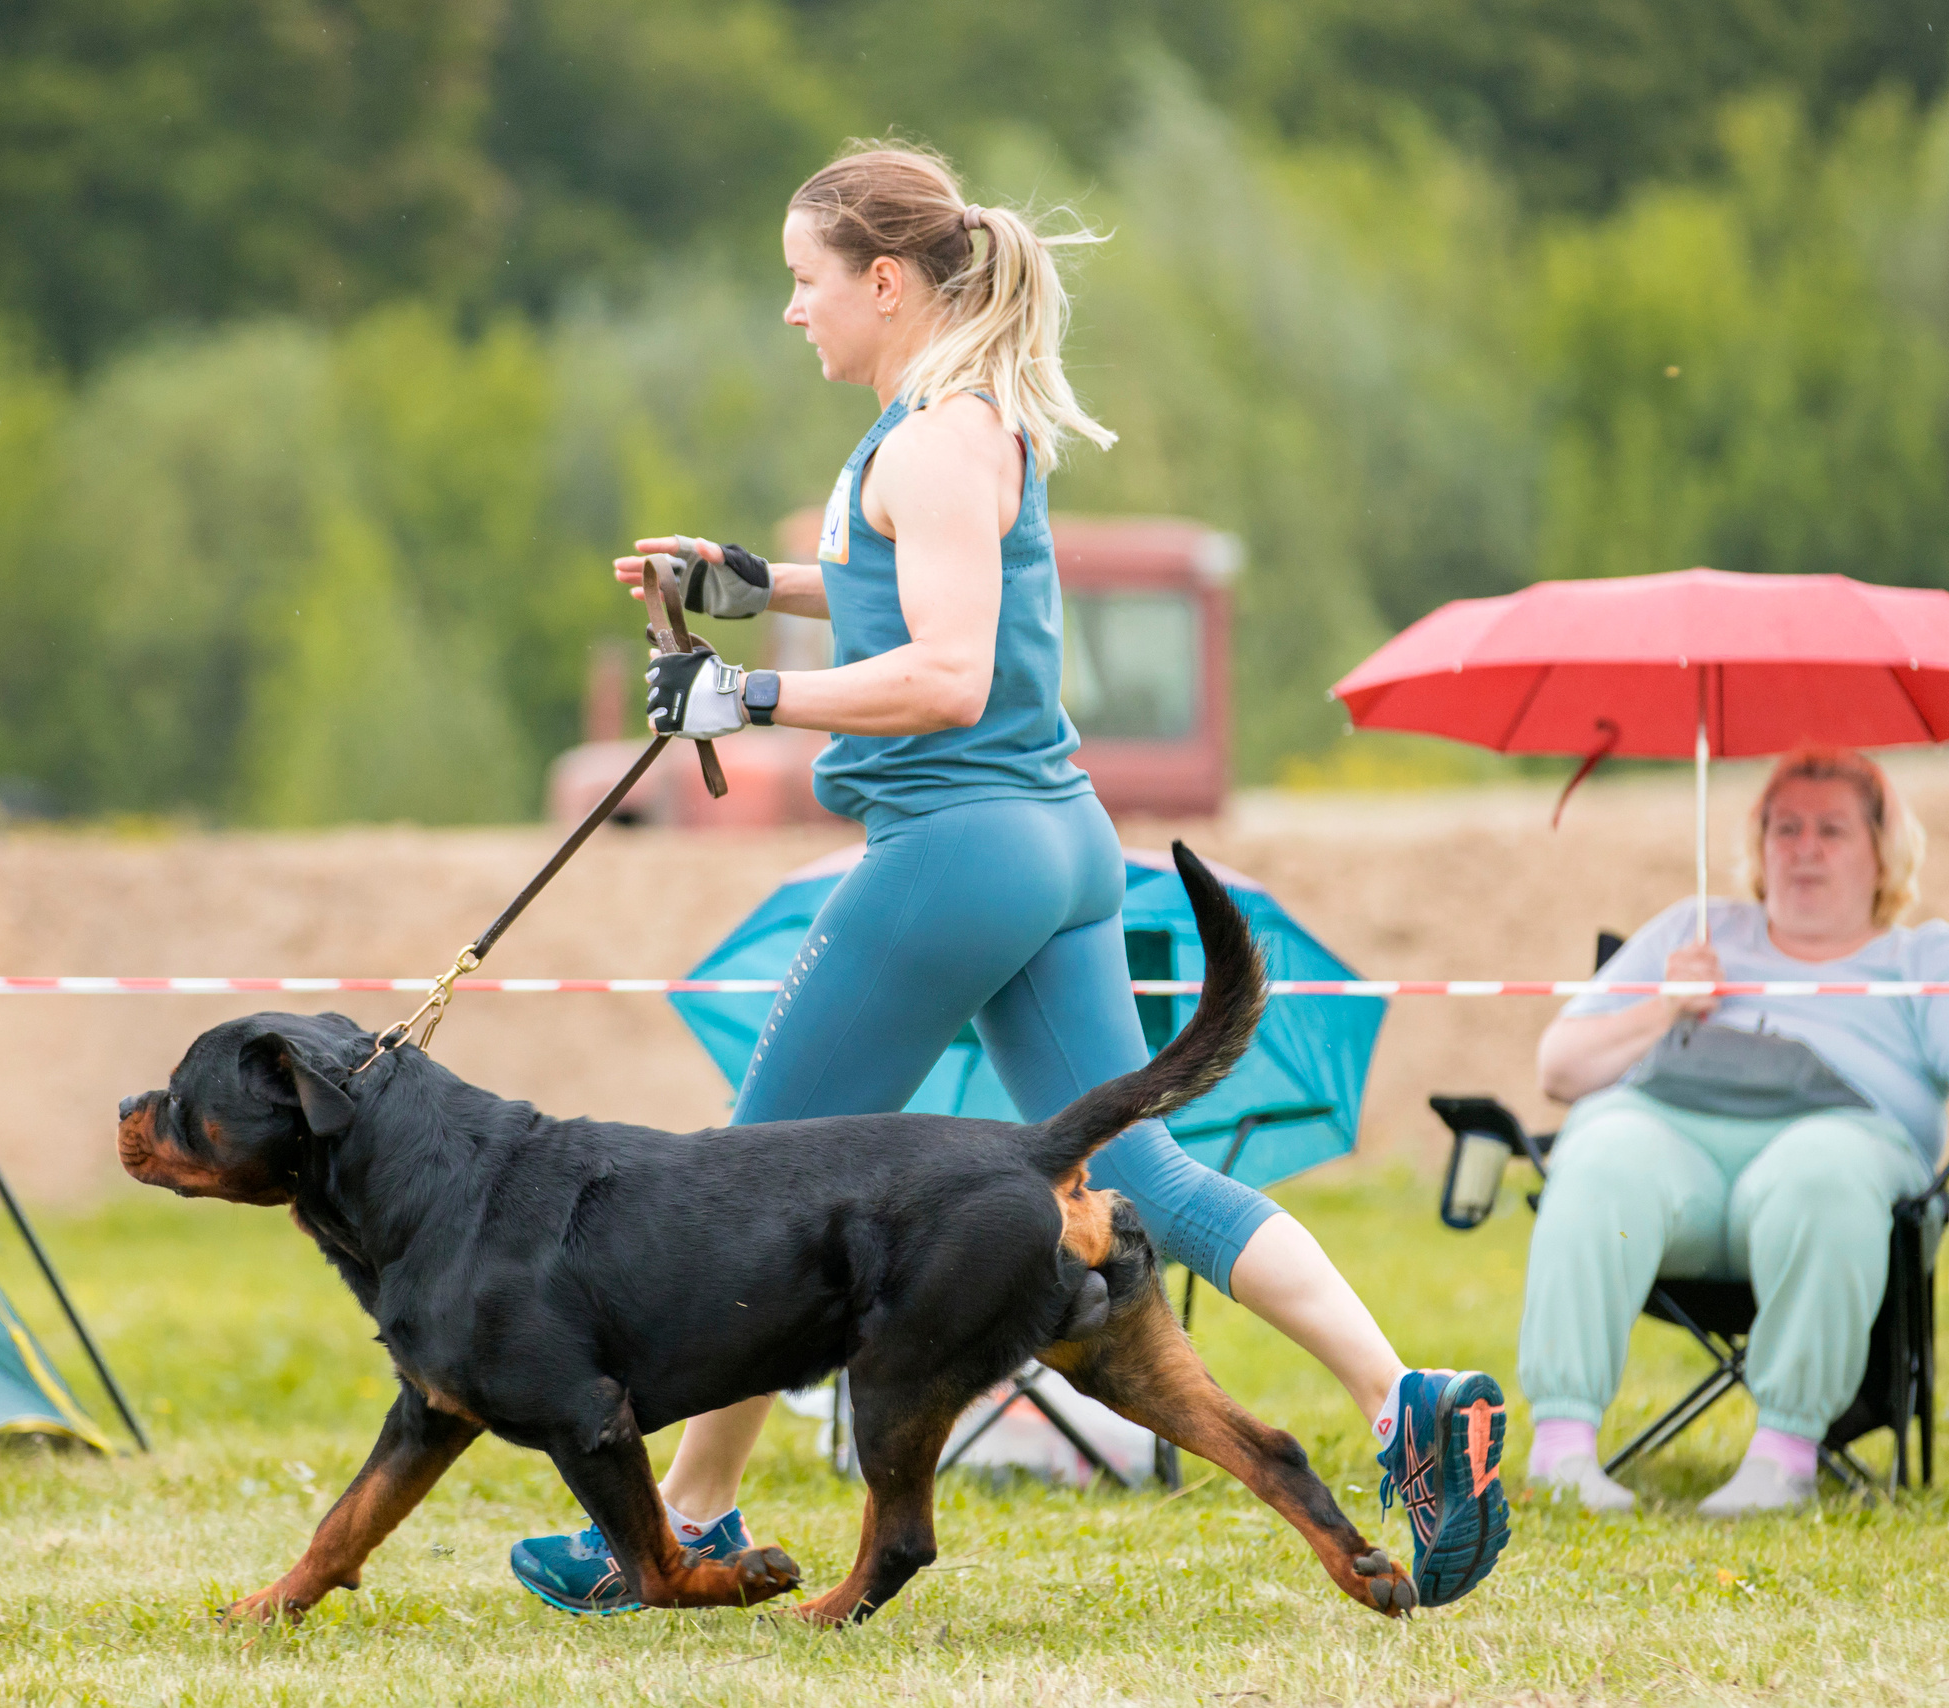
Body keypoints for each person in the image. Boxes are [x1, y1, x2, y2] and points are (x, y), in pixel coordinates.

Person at [507, 142, 1508, 1615]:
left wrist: (750, 704)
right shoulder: (962, 430)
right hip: (1057, 844)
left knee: (747, 1186)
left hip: (957, 856)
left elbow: (945, 671)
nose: (794, 312)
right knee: (1148, 1170)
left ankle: (688, 1524)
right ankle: (1406, 1400)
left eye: (806, 282)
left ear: (887, 282)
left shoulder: (927, 441)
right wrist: (742, 581)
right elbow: (895, 583)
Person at [1524, 747, 1946, 1515]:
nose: (1805, 848)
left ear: (1884, 852)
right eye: (1785, 828)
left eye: (1832, 829)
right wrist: (1666, 1005)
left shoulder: (1922, 958)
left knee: (1824, 1171)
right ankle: (1561, 1448)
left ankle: (1783, 1457)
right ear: (1758, 847)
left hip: (1836, 1144)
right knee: (1601, 1152)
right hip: (1670, 1142)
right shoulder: (1694, 931)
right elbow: (1558, 1070)